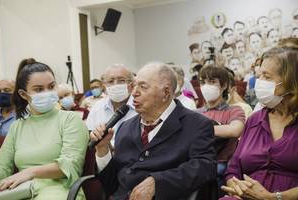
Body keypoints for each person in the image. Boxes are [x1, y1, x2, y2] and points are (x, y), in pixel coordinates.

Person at [91, 62, 217, 200]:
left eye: (143, 87)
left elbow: (205, 167)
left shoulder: (196, 124)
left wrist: (158, 182)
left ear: (166, 92)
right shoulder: (125, 127)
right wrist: (102, 150)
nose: (134, 93)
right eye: (134, 86)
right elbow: (112, 186)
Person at [0, 58, 89, 199]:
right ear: (23, 94)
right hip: (20, 190)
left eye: (51, 87)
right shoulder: (17, 126)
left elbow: (70, 164)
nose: (47, 92)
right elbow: (1, 167)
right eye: (38, 89)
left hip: (59, 190)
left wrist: (30, 172)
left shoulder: (70, 119)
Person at [221, 46, 298, 199]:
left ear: (291, 82)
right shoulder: (254, 120)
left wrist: (272, 197)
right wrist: (237, 186)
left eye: (267, 77)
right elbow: (233, 170)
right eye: (259, 75)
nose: (259, 82)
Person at [197, 65, 245, 196]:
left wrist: (201, 130)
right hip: (197, 163)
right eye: (202, 82)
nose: (206, 86)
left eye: (212, 82)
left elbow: (235, 130)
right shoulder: (196, 113)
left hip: (222, 164)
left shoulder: (234, 110)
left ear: (223, 85)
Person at [86, 63, 137, 146]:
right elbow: (89, 134)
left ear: (131, 84)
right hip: (103, 154)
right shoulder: (97, 107)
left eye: (121, 80)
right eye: (110, 81)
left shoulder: (140, 106)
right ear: (104, 85)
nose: (115, 84)